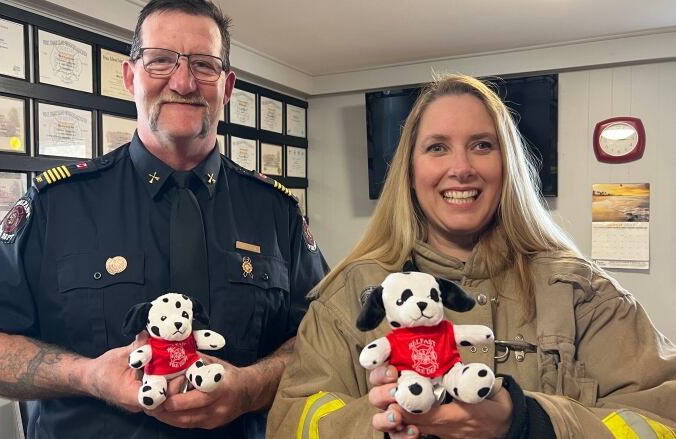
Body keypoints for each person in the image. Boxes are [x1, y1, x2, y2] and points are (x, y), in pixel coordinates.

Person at [0, 1, 328, 438]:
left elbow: (321, 344)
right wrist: (86, 375)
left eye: (204, 65)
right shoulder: (58, 204)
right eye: (161, 60)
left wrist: (251, 388)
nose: (183, 82)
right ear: (130, 76)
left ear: (228, 85)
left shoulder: (276, 213)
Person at [267, 73, 676, 439]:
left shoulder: (584, 294)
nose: (461, 168)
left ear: (508, 165)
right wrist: (386, 422)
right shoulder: (347, 295)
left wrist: (529, 420)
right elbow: (292, 422)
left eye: (482, 145)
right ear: (410, 172)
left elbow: (661, 420)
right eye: (437, 148)